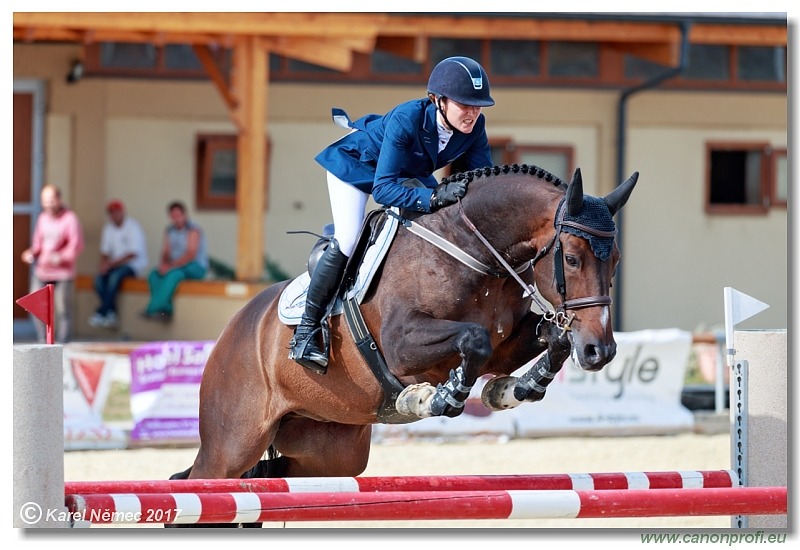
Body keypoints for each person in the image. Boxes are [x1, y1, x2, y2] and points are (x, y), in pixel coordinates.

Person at [289, 56, 495, 374]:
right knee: (348, 237)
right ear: (438, 101)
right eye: (464, 104)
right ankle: (307, 330)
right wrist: (434, 195)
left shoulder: (474, 127)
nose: (471, 113)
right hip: (356, 166)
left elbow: (479, 181)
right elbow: (383, 190)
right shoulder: (407, 118)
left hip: (405, 172)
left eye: (477, 105)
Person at [21, 184, 85, 343]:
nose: (47, 204)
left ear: (58, 199)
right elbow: (38, 244)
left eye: (50, 200)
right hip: (42, 271)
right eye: (44, 201)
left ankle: (63, 343)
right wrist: (30, 253)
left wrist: (61, 257)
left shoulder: (70, 218)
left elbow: (76, 245)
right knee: (35, 305)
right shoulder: (43, 218)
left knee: (63, 308)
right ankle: (43, 341)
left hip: (63, 273)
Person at [142, 200, 208, 322]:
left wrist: (171, 266)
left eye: (179, 216)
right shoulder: (169, 230)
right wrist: (163, 265)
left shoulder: (193, 230)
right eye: (173, 216)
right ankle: (166, 309)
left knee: (174, 274)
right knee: (154, 275)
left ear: (185, 215)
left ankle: (152, 308)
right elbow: (166, 252)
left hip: (195, 266)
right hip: (176, 266)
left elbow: (190, 254)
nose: (176, 219)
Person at [88, 200, 148, 329]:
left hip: (133, 266)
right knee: (98, 279)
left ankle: (101, 311)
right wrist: (103, 265)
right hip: (114, 265)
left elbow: (133, 253)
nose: (114, 216)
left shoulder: (133, 227)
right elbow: (105, 252)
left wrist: (111, 263)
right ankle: (110, 312)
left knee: (114, 277)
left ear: (122, 212)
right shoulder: (108, 228)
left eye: (116, 212)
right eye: (111, 213)